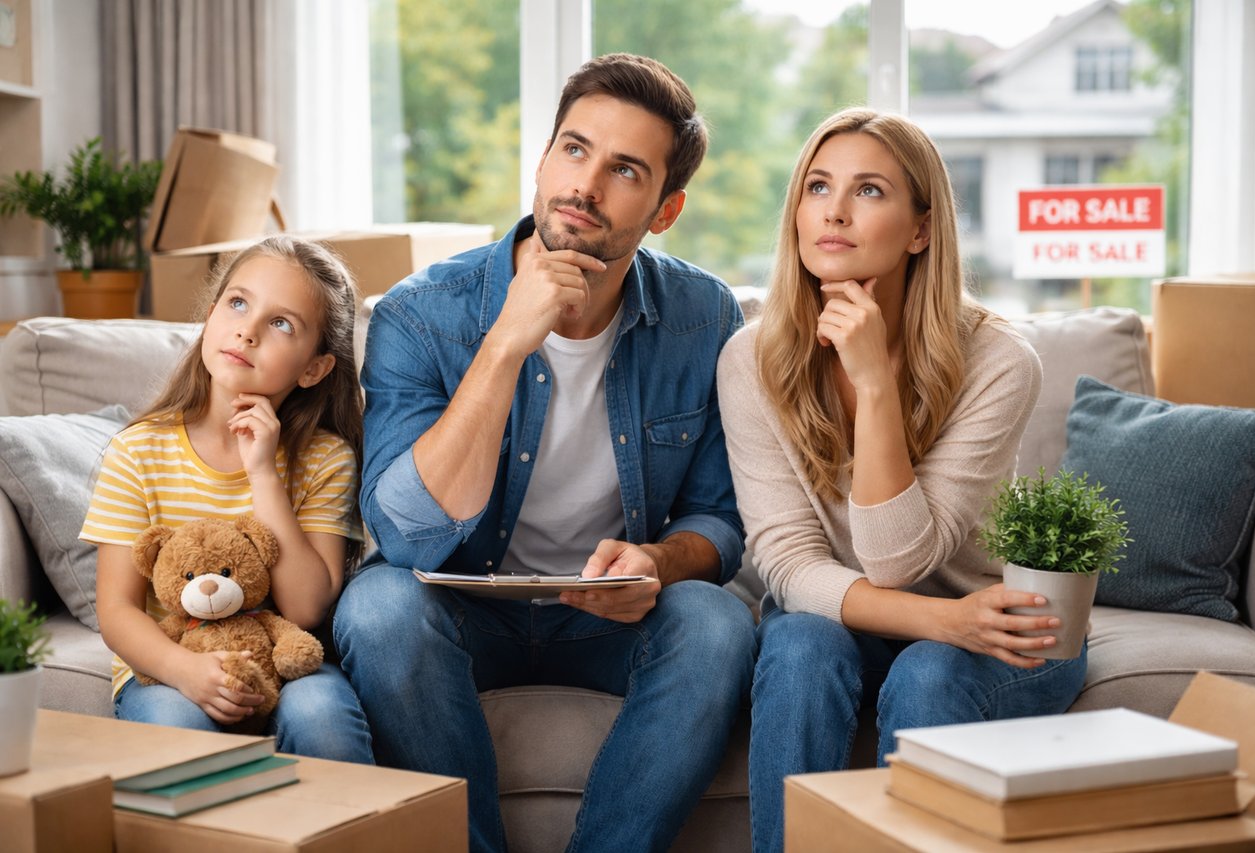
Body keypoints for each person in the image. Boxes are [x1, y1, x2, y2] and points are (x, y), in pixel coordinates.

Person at [333, 53, 755, 853]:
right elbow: (405, 536)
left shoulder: (704, 316)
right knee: (377, 607)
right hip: (462, 607)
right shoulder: (420, 314)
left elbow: (720, 518)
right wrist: (503, 346)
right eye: (573, 148)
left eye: (624, 169)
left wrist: (657, 565)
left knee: (715, 622)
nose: (585, 186)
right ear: (543, 156)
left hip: (605, 621)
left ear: (666, 209)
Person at [716, 108, 1088, 852]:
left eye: (870, 191)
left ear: (921, 228)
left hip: (992, 630)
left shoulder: (1000, 361)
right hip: (892, 621)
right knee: (796, 647)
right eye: (818, 186)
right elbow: (787, 567)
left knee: (927, 675)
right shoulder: (750, 359)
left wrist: (876, 385)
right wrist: (939, 620)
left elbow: (897, 559)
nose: (836, 209)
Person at [84, 235, 374, 764]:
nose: (248, 330)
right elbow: (117, 609)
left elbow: (305, 608)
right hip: (169, 663)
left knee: (324, 722)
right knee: (180, 731)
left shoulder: (324, 458)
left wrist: (263, 473)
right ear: (211, 314)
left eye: (282, 324)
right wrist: (184, 671)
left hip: (284, 658)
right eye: (238, 303)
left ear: (314, 369)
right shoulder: (138, 450)